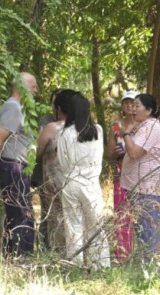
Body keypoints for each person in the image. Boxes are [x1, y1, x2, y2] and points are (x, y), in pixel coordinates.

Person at [0, 72, 38, 257]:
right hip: (14, 168)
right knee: (22, 215)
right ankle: (21, 260)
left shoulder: (16, 108)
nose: (36, 91)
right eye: (33, 86)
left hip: (17, 167)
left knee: (17, 214)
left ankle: (12, 257)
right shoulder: (13, 108)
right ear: (22, 88)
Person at [56, 93, 111, 269]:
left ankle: (75, 265)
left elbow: (63, 163)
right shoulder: (98, 130)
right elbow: (100, 157)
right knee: (96, 225)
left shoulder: (64, 133)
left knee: (72, 225)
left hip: (71, 182)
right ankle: (100, 265)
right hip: (91, 183)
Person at [120, 93, 160, 263]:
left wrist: (125, 134)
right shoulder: (143, 126)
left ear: (149, 110)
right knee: (141, 228)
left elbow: (134, 152)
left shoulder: (150, 126)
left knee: (148, 229)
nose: (133, 109)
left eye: (137, 105)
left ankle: (151, 267)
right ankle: (144, 265)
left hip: (147, 187)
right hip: (138, 187)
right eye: (132, 105)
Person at [107, 91, 138, 263]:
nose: (129, 106)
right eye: (126, 102)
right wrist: (115, 152)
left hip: (140, 175)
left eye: (133, 102)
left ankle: (142, 254)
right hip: (121, 174)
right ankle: (122, 256)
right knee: (122, 216)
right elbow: (108, 154)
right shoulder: (116, 127)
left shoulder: (143, 125)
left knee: (141, 214)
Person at [34, 88, 65, 251]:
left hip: (66, 175)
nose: (56, 106)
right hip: (46, 174)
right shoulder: (46, 121)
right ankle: (46, 247)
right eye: (54, 102)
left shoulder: (75, 123)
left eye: (59, 103)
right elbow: (40, 147)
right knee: (48, 213)